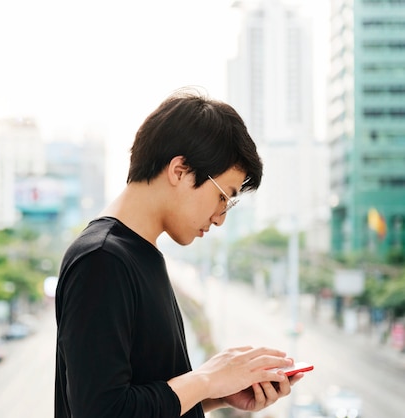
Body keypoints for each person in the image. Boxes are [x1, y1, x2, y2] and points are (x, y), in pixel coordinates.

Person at [54, 87, 305, 418]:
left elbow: (141, 400)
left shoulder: (140, 255)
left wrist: (218, 394)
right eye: (223, 197)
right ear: (180, 171)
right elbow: (103, 410)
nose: (220, 218)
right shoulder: (102, 260)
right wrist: (206, 378)